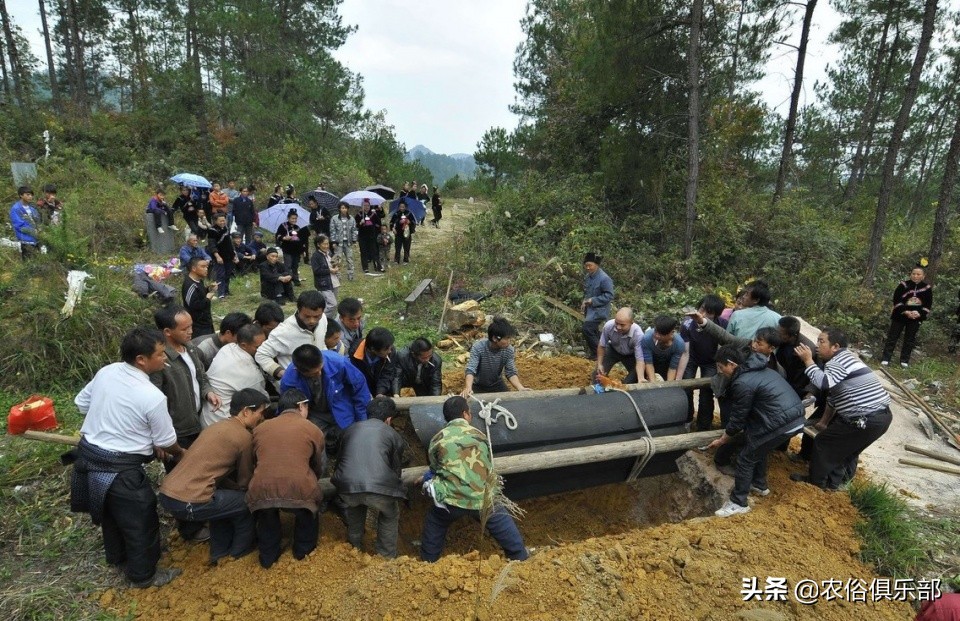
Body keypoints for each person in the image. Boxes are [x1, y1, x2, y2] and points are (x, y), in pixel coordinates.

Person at [68, 327, 184, 587]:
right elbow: (166, 441)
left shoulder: (107, 372)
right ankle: (144, 575)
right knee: (140, 520)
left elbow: (81, 403)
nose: (164, 358)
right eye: (159, 354)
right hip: (121, 469)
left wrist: (113, 422)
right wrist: (180, 452)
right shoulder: (152, 396)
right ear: (141, 360)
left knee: (111, 513)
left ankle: (119, 557)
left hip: (91, 457)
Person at [159, 389, 270, 565]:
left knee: (225, 505)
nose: (262, 418)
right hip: (191, 500)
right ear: (246, 411)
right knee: (246, 502)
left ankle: (219, 553)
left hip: (168, 494)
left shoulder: (214, 428)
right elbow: (244, 481)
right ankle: (240, 554)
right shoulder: (244, 438)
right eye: (261, 413)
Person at [418, 396, 529, 563]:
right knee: (499, 518)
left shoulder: (437, 439)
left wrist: (425, 478)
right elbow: (487, 466)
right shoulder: (480, 435)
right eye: (470, 412)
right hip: (482, 498)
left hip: (452, 499)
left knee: (436, 520)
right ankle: (519, 556)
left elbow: (435, 470)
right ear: (465, 414)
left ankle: (428, 561)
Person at [707, 346, 806, 517]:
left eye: (721, 368)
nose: (721, 372)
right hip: (794, 418)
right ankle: (759, 485)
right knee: (756, 445)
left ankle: (739, 503)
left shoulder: (742, 382)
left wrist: (724, 438)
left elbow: (738, 418)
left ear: (731, 364)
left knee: (746, 458)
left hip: (779, 423)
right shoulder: (762, 369)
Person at [793, 328, 892, 490]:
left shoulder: (838, 361)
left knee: (823, 442)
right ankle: (836, 485)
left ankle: (815, 484)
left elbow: (824, 383)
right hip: (879, 418)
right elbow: (834, 396)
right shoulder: (846, 359)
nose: (817, 346)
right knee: (847, 450)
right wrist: (824, 421)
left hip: (866, 418)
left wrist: (808, 360)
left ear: (836, 346)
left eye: (822, 341)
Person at [246, 389, 326, 569]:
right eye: (306, 407)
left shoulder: (260, 429)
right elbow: (318, 465)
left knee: (267, 516)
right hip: (299, 488)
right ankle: (302, 552)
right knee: (308, 512)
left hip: (261, 489)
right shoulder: (313, 429)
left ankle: (268, 557)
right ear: (301, 407)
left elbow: (254, 460)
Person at [331, 397, 409, 558]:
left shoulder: (349, 430)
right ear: (388, 419)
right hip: (379, 489)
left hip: (347, 487)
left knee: (354, 508)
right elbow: (396, 471)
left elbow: (340, 461)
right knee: (390, 514)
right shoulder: (393, 435)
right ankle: (386, 557)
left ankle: (354, 549)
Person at [280, 344, 370, 456]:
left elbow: (359, 389)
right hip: (315, 414)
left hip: (342, 407)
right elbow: (288, 408)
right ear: (299, 370)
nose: (319, 373)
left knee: (352, 440)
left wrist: (362, 420)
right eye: (313, 373)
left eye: (321, 368)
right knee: (314, 444)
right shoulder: (289, 380)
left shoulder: (339, 362)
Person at [202, 324, 268, 428]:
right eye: (258, 347)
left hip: (207, 418)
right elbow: (262, 403)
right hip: (223, 422)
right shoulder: (250, 374)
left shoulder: (227, 348)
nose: (264, 349)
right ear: (244, 345)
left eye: (265, 344)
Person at [255, 290, 329, 382]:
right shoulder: (283, 332)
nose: (312, 321)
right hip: (296, 383)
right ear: (298, 310)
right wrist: (281, 373)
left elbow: (321, 343)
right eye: (307, 316)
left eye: (317, 316)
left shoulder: (323, 319)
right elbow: (261, 354)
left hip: (319, 376)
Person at [680, 295, 727, 430]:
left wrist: (720, 367)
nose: (703, 314)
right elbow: (685, 351)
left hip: (711, 360)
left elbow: (724, 345)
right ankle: (686, 419)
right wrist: (680, 375)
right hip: (692, 358)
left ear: (716, 314)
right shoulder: (688, 324)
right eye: (702, 309)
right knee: (686, 387)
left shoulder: (722, 324)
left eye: (710, 312)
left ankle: (703, 426)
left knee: (706, 392)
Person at [881, 263, 933, 368]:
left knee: (909, 339)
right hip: (900, 315)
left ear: (923, 276)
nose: (915, 276)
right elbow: (897, 300)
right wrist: (906, 311)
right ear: (910, 274)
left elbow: (928, 305)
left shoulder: (927, 289)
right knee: (892, 337)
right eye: (914, 274)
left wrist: (919, 313)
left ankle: (904, 360)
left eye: (918, 274)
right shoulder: (903, 285)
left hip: (915, 318)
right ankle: (886, 358)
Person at [462, 317, 530, 396]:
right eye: (507, 338)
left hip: (497, 384)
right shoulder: (478, 347)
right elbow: (471, 369)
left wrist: (520, 388)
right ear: (495, 338)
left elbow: (510, 372)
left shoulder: (509, 350)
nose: (509, 341)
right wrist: (468, 388)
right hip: (477, 386)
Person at [596, 307, 645, 384]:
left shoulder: (638, 335)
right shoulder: (609, 326)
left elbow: (640, 359)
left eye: (622, 325)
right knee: (598, 376)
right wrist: (599, 364)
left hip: (631, 355)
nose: (618, 327)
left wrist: (641, 378)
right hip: (612, 350)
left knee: (632, 381)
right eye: (616, 323)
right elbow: (602, 345)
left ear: (631, 323)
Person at [581, 252, 615, 361]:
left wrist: (593, 300)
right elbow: (587, 292)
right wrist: (584, 302)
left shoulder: (604, 278)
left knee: (587, 329)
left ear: (596, 265)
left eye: (590, 265)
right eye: (586, 265)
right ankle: (598, 354)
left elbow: (609, 295)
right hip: (590, 310)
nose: (587, 268)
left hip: (600, 311)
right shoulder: (588, 277)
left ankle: (599, 353)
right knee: (595, 332)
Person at [350, 327, 397, 397]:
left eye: (390, 347)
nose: (389, 351)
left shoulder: (390, 351)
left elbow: (387, 374)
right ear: (373, 349)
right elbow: (355, 378)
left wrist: (380, 392)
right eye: (386, 349)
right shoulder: (354, 354)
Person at [641, 316, 686, 382]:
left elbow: (673, 368)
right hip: (652, 362)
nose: (657, 336)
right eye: (656, 331)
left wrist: (668, 386)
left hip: (667, 364)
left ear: (671, 333)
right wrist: (653, 384)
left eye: (661, 334)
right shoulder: (647, 338)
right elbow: (648, 363)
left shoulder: (679, 344)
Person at [309, 235, 340, 319]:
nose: (326, 246)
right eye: (324, 244)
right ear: (318, 244)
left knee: (329, 305)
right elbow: (316, 271)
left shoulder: (329, 253)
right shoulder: (316, 256)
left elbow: (332, 264)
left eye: (327, 244)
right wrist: (330, 270)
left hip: (333, 281)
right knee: (332, 305)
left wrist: (336, 267)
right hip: (324, 284)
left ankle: (328, 323)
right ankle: (318, 319)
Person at [207, 214, 236, 298]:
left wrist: (233, 255)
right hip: (219, 256)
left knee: (228, 274)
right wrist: (217, 256)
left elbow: (229, 243)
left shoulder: (226, 228)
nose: (223, 222)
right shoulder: (212, 231)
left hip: (228, 256)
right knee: (221, 275)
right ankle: (221, 294)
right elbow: (212, 245)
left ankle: (226, 291)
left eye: (224, 220)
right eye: (221, 221)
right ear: (216, 221)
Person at [276, 209, 308, 286]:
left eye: (295, 218)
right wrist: (284, 238)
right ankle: (288, 281)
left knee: (295, 266)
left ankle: (296, 280)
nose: (294, 220)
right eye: (292, 218)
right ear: (288, 218)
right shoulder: (283, 226)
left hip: (296, 250)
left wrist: (302, 250)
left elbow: (302, 239)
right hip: (287, 249)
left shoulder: (298, 227)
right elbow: (278, 236)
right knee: (288, 266)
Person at [10, 185, 41, 259]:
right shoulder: (16, 209)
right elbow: (18, 225)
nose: (30, 197)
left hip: (36, 238)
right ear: (21, 195)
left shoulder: (32, 208)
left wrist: (39, 228)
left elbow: (38, 221)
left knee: (38, 260)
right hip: (25, 239)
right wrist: (32, 231)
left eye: (31, 195)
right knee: (28, 260)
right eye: (28, 195)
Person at [330, 202, 357, 281]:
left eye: (345, 208)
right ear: (339, 209)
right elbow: (332, 231)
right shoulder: (334, 218)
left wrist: (354, 240)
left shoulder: (351, 218)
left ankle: (350, 275)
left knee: (350, 258)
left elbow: (354, 230)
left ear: (347, 209)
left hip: (348, 242)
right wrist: (334, 241)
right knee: (338, 259)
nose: (344, 209)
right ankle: (337, 275)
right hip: (338, 243)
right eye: (342, 208)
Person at [355, 199, 383, 275]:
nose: (366, 207)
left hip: (371, 236)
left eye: (368, 205)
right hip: (362, 236)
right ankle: (365, 268)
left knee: (374, 251)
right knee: (363, 252)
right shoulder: (359, 215)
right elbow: (356, 226)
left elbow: (379, 224)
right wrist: (360, 223)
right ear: (362, 206)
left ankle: (378, 266)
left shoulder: (373, 214)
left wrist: (372, 225)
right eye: (365, 205)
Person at [390, 198, 416, 264]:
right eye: (400, 207)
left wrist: (409, 222)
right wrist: (393, 228)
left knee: (407, 246)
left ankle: (406, 259)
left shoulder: (409, 214)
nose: (402, 208)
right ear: (398, 207)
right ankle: (396, 260)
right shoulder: (396, 214)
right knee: (397, 247)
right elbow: (391, 223)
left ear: (406, 207)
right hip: (398, 233)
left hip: (407, 233)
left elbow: (414, 222)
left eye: (403, 207)